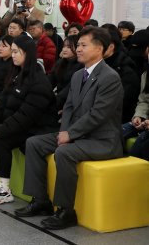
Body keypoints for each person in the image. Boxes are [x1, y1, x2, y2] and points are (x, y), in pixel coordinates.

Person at [15, 27, 124, 230]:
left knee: (64, 152)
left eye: (83, 45)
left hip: (101, 140)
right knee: (34, 143)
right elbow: (69, 108)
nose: (78, 49)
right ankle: (40, 200)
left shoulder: (110, 77)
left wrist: (70, 134)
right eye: (78, 45)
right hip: (78, 135)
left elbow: (98, 115)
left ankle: (66, 211)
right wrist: (64, 132)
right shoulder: (77, 75)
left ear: (99, 48)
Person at [0, 35, 59, 204]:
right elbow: (3, 104)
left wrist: (0, 130)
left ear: (28, 54)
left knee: (1, 141)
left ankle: (4, 188)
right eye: (14, 51)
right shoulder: (16, 74)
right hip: (19, 123)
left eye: (17, 52)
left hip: (37, 127)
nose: (14, 55)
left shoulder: (38, 81)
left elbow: (27, 115)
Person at [104, 28, 140, 123]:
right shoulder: (95, 64)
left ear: (111, 46)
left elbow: (122, 100)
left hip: (115, 119)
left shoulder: (125, 68)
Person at [122, 57, 149, 160]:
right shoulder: (146, 75)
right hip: (145, 121)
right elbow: (144, 101)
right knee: (118, 132)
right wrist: (139, 116)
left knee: (141, 143)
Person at [48, 35, 83, 112]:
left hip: (70, 104)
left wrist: (53, 103)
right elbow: (50, 80)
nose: (64, 49)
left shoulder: (81, 66)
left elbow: (69, 89)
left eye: (69, 47)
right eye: (64, 46)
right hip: (58, 100)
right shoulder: (60, 62)